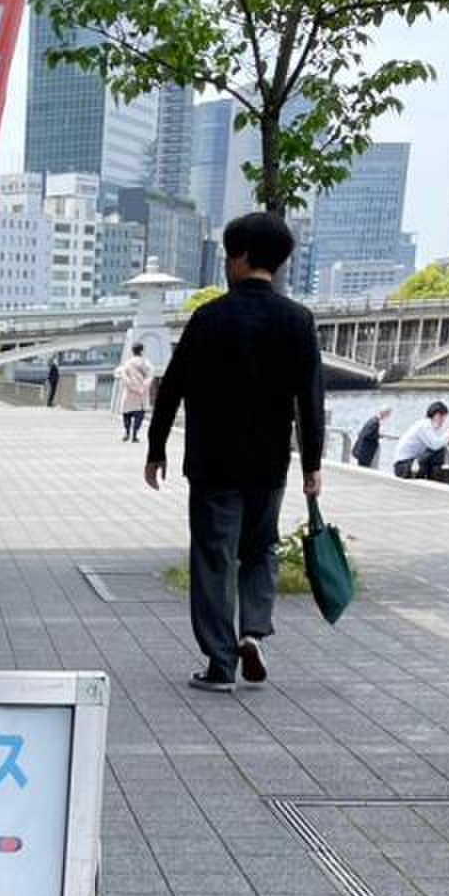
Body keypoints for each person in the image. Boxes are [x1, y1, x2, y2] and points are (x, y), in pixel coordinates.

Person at [144, 212, 324, 693]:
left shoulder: (209, 318)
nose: (226, 264)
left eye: (228, 255)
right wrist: (312, 464)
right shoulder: (298, 320)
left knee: (214, 558)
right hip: (269, 464)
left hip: (214, 463)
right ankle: (253, 631)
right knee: (261, 548)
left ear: (242, 257)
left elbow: (172, 387)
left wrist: (156, 447)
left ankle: (221, 664)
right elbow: (310, 399)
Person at [392, 401, 449, 482]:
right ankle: (435, 480)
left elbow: (435, 443)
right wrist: (448, 434)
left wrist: (447, 441)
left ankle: (434, 479)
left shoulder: (426, 425)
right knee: (438, 451)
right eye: (443, 418)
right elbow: (435, 445)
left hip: (407, 464)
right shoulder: (424, 425)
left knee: (438, 450)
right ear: (437, 415)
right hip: (403, 466)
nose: (443, 422)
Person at [113, 342, 155, 442]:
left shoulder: (127, 363)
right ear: (142, 351)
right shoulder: (146, 363)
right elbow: (150, 376)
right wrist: (142, 388)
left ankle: (127, 432)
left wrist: (132, 387)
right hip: (141, 394)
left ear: (133, 351)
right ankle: (135, 435)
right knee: (139, 415)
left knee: (126, 414)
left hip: (129, 392)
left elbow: (123, 376)